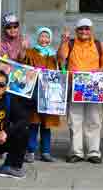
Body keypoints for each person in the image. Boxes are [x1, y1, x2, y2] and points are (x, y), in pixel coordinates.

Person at [58, 18, 103, 163]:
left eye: (87, 29)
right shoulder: (70, 43)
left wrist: (99, 72)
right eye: (81, 29)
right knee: (75, 120)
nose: (84, 31)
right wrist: (63, 42)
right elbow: (61, 58)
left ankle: (93, 152)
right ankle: (76, 152)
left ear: (91, 30)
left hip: (93, 87)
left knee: (94, 119)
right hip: (76, 87)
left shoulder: (98, 44)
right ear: (76, 31)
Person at [23, 27, 60, 163]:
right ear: (37, 38)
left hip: (48, 95)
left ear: (50, 39)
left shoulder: (54, 55)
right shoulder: (31, 52)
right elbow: (23, 65)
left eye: (47, 36)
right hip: (34, 93)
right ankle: (30, 151)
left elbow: (60, 69)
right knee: (33, 124)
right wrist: (23, 49)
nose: (44, 39)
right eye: (42, 36)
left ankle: (46, 152)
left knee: (46, 125)